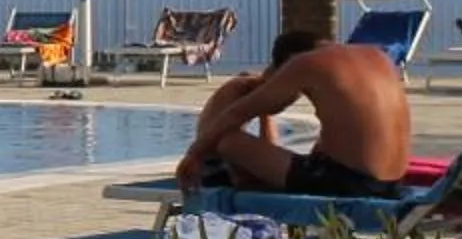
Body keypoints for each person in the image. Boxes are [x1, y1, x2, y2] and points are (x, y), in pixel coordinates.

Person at [175, 28, 410, 199]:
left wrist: (193, 155)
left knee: (228, 142)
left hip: (350, 185)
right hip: (393, 183)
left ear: (287, 62)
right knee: (318, 149)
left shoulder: (305, 63)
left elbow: (237, 113)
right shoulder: (378, 56)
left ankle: (257, 196)